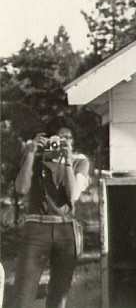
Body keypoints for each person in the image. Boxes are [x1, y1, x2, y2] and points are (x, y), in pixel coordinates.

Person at [9, 116, 90, 308]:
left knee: (59, 294)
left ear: (73, 141)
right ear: (49, 139)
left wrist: (68, 161)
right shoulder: (36, 158)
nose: (63, 142)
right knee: (24, 291)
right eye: (59, 138)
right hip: (36, 227)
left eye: (68, 138)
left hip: (65, 230)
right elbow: (21, 188)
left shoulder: (80, 161)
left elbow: (73, 195)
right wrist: (30, 153)